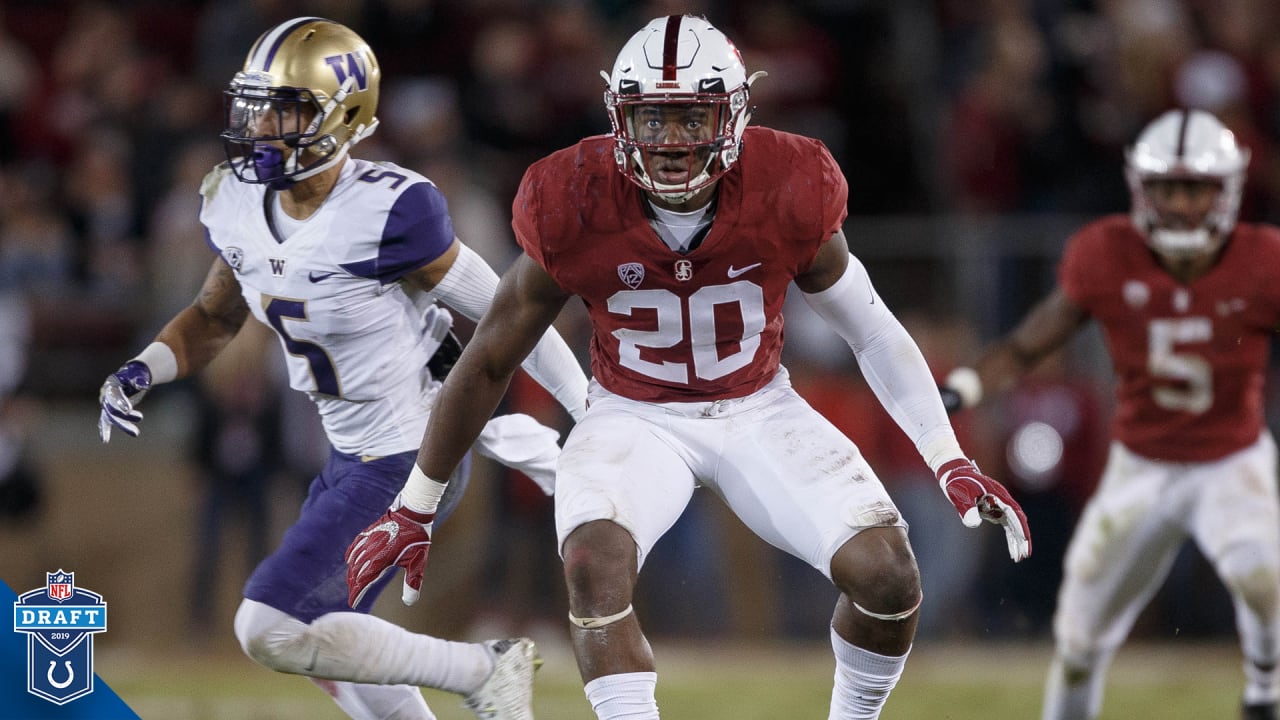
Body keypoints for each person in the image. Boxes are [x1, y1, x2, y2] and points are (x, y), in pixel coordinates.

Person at [346, 15, 1031, 720]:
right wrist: (414, 506)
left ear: (733, 115)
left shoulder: (788, 183)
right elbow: (490, 357)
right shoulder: (573, 197)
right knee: (593, 566)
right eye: (652, 119)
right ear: (619, 117)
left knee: (887, 575)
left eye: (691, 118)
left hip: (758, 406)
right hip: (631, 416)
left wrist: (947, 458)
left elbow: (875, 333)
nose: (671, 144)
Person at [97, 17, 590, 720]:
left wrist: (587, 412)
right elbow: (214, 317)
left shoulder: (387, 209)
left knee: (269, 626)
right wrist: (141, 369)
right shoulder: (236, 200)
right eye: (257, 106)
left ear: (343, 116)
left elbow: (509, 312)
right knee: (328, 649)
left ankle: (484, 667)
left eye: (288, 110)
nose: (264, 126)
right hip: (345, 452)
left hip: (410, 454)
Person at [938, 108, 1280, 720]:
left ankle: (1265, 690)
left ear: (1226, 192)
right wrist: (961, 389)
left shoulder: (1264, 260)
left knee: (1264, 574)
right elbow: (1026, 347)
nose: (1178, 205)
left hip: (1233, 457)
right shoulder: (1106, 252)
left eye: (1194, 189)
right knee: (1078, 637)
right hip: (1141, 464)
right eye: (1167, 189)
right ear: (1140, 190)